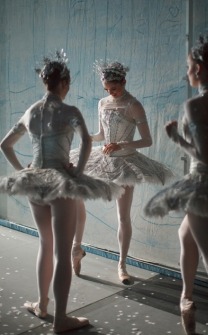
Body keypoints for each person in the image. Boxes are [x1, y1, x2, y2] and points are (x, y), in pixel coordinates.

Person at [0, 51, 122, 333]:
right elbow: (87, 142)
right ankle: (60, 319)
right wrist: (77, 171)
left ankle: (43, 304)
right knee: (62, 250)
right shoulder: (70, 112)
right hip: (60, 182)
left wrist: (22, 170)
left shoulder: (32, 111)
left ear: (45, 82)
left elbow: (5, 144)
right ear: (64, 82)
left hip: (36, 181)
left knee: (45, 244)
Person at [144, 33, 208, 335]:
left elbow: (200, 154)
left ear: (200, 69)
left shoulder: (193, 106)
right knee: (185, 234)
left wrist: (177, 139)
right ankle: (186, 298)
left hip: (204, 183)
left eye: (189, 67)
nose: (187, 72)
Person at [70, 60, 174, 284]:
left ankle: (122, 265)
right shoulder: (102, 103)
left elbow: (147, 140)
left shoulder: (133, 104)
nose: (111, 92)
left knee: (122, 216)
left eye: (114, 88)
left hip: (125, 163)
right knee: (76, 193)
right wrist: (86, 136)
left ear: (124, 82)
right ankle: (76, 248)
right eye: (107, 89)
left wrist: (121, 144)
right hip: (103, 158)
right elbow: (100, 135)